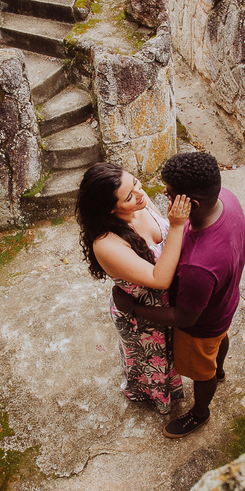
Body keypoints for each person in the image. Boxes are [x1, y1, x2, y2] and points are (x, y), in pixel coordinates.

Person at [112, 152, 245, 438]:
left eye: (170, 194)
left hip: (201, 325)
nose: (165, 196)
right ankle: (219, 370)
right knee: (219, 342)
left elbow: (184, 318)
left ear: (192, 204)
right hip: (225, 303)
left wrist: (133, 308)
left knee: (202, 371)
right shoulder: (228, 199)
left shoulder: (198, 264)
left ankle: (200, 413)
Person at [77, 163, 192, 414]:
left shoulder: (140, 200)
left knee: (173, 357)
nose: (140, 193)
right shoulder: (106, 244)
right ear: (110, 208)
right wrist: (176, 226)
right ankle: (154, 399)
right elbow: (159, 278)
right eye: (129, 196)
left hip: (167, 308)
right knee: (152, 364)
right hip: (141, 318)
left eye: (136, 182)